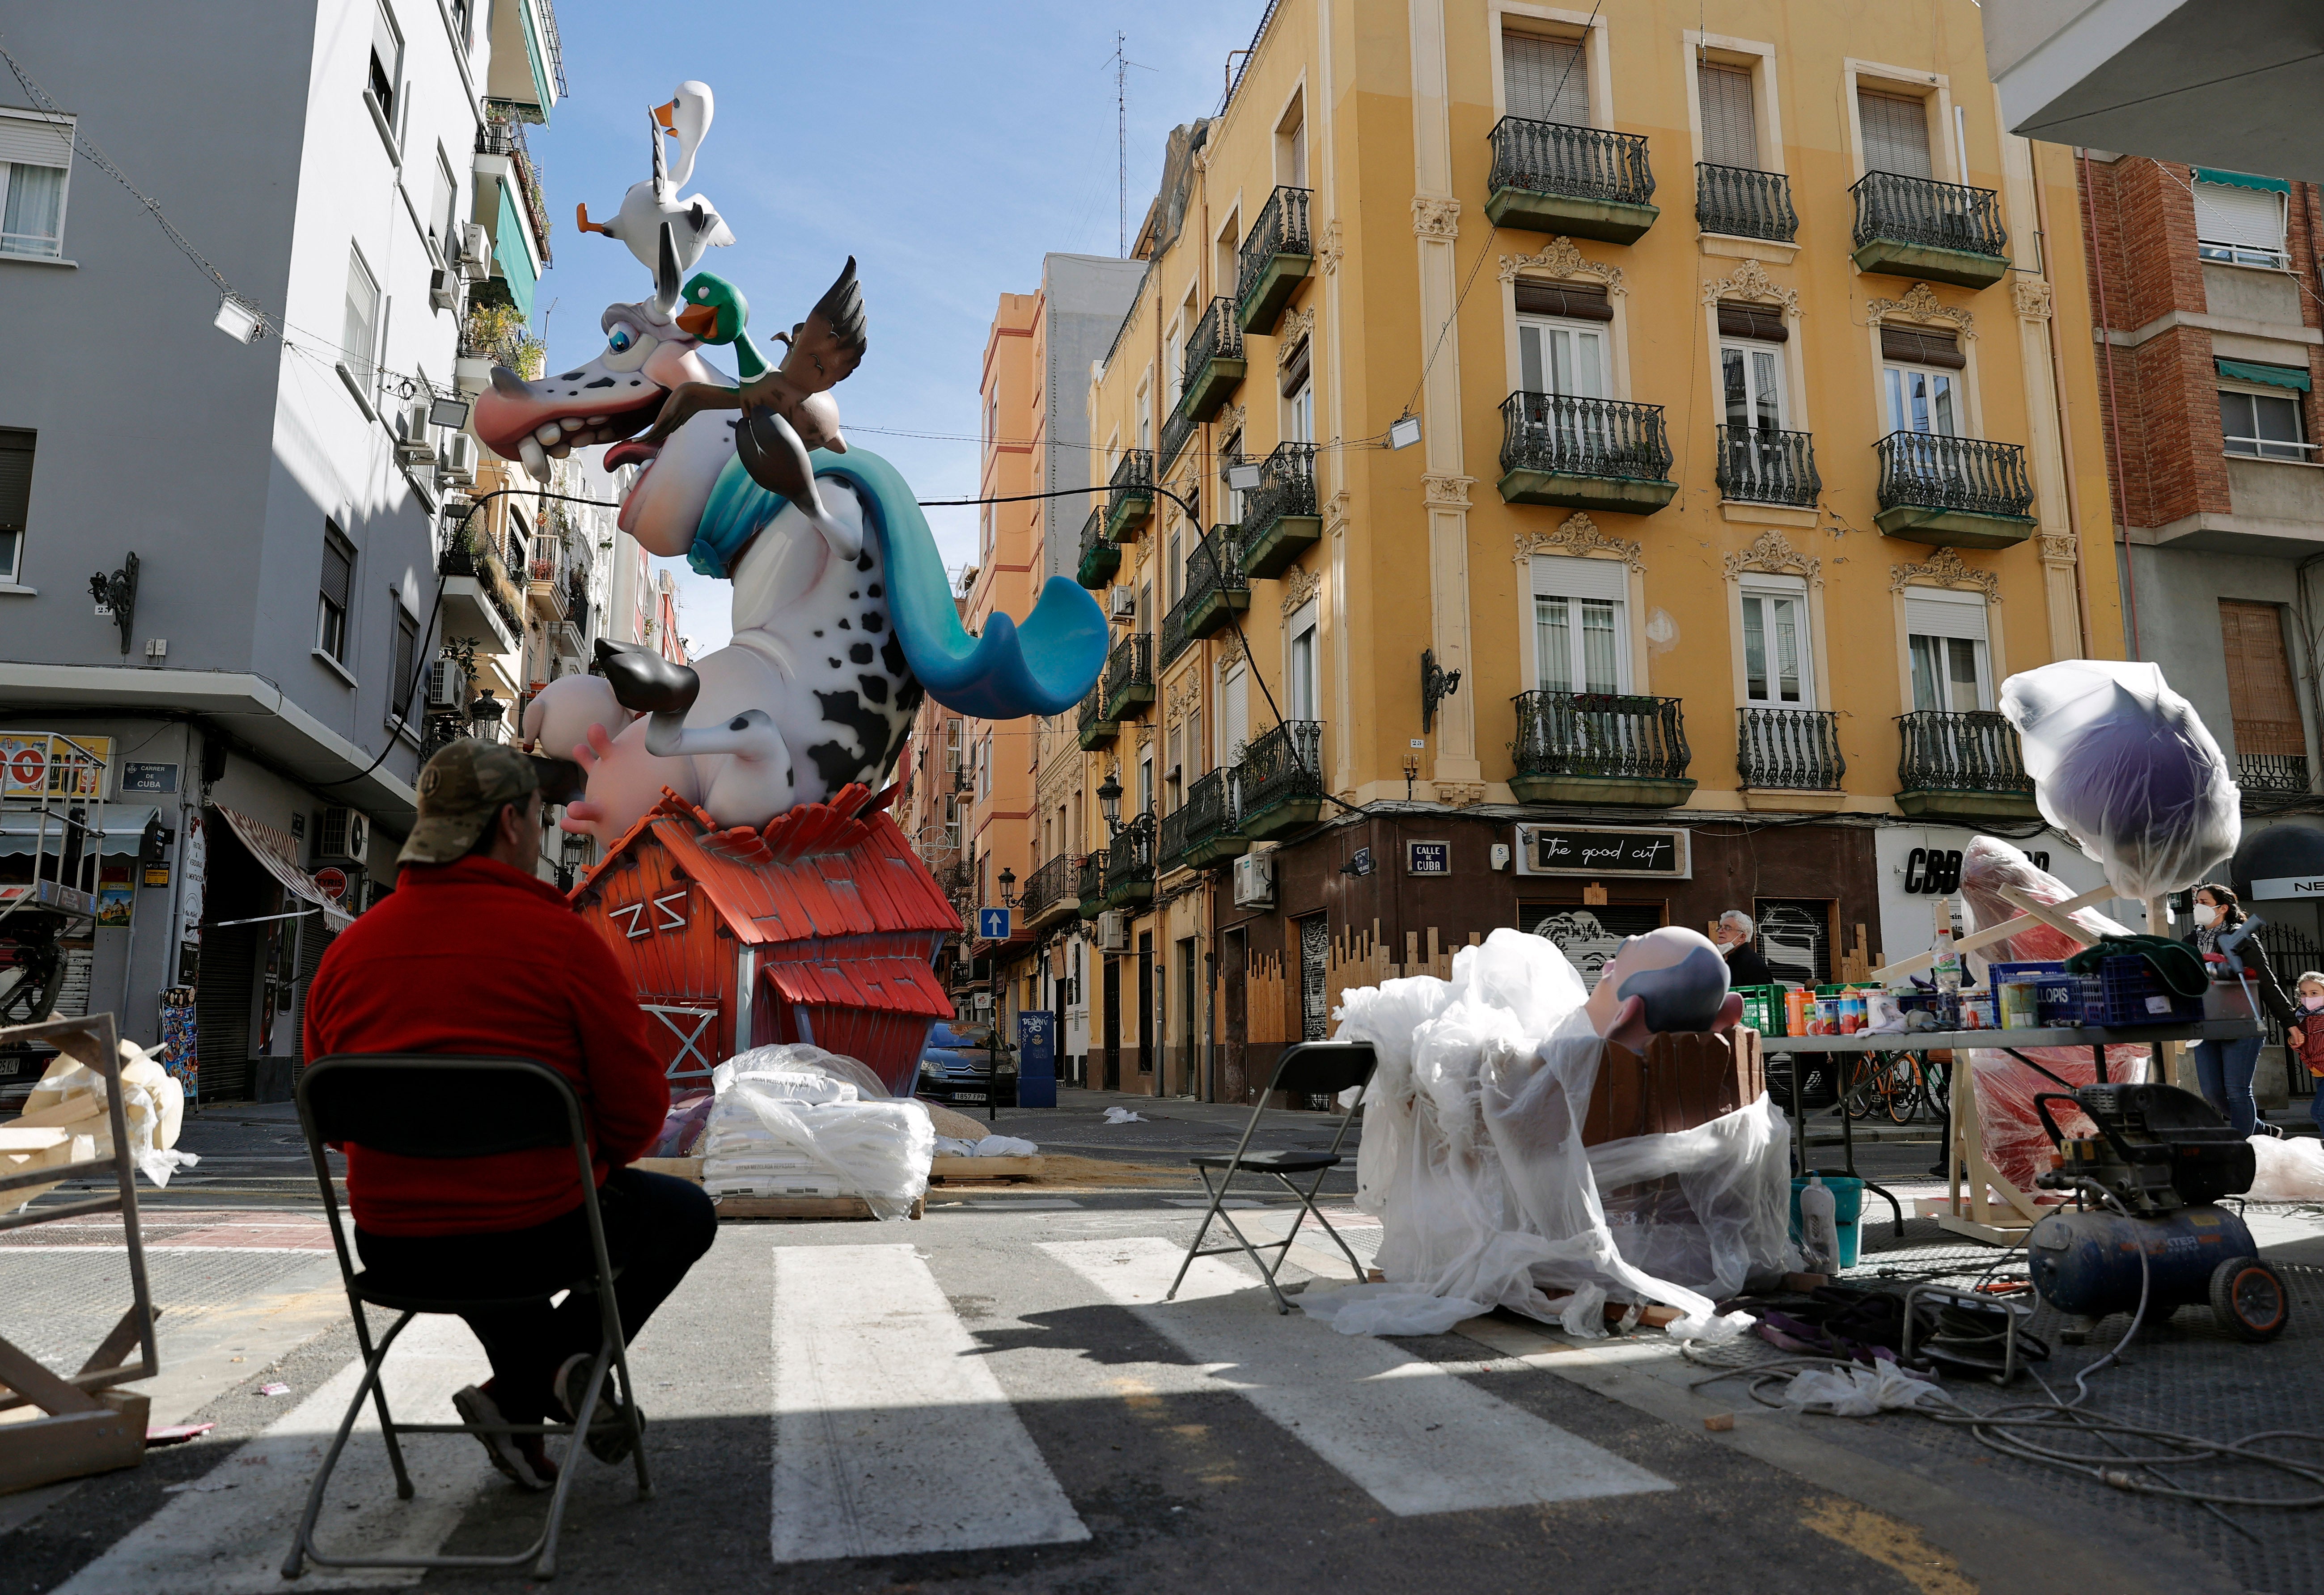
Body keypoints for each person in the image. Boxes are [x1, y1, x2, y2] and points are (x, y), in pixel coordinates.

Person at [304, 741, 713, 1490]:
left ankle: (535, 1382)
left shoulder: (347, 953)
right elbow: (636, 1118)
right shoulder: (563, 942)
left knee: (478, 1225)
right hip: (537, 1236)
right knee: (680, 1213)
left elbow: (328, 1118)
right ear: (510, 823)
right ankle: (548, 1377)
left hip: (393, 1246)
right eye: (537, 813)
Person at [2185, 882, 2294, 1138]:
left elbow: (2266, 982)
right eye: (2197, 902)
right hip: (2207, 1024)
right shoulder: (2192, 940)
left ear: (2222, 908)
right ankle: (2261, 1130)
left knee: (2237, 1091)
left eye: (2204, 902)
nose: (2197, 907)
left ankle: (2245, 1149)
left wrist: (2290, 1023)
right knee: (2212, 1092)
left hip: (2242, 1023)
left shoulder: (2241, 937)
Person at [2288, 970, 2324, 1136]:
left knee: (2319, 1112)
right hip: (2318, 1073)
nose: (2308, 998)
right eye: (2303, 994)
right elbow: (2304, 1047)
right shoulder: (2301, 1018)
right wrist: (2294, 1043)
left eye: (2314, 993)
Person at [1712, 909, 1775, 989]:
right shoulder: (1721, 960)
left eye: (1728, 928)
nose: (1720, 931)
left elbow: (1764, 997)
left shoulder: (1752, 963)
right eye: (1721, 927)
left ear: (1742, 937)